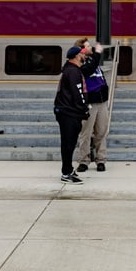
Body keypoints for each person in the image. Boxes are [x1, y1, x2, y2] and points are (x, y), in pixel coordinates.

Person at [53, 45, 90, 184]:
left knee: (68, 143)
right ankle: (66, 173)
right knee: (68, 143)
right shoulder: (73, 72)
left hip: (67, 111)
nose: (84, 56)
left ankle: (67, 170)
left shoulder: (71, 70)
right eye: (82, 54)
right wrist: (84, 108)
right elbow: (78, 93)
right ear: (76, 56)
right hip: (69, 112)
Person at [73, 38, 110, 172]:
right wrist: (98, 53)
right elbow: (88, 71)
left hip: (101, 101)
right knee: (86, 132)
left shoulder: (94, 61)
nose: (91, 48)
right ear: (82, 49)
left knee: (101, 131)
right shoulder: (81, 62)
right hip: (89, 103)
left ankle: (101, 160)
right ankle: (84, 160)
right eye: (88, 46)